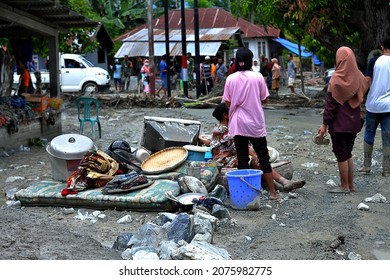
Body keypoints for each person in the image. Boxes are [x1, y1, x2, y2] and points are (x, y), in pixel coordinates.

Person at [222, 47, 278, 200]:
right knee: (263, 156)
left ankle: (245, 193)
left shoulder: (230, 79)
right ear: (250, 62)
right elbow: (264, 99)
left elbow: (227, 102)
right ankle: (273, 193)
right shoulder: (258, 77)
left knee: (242, 158)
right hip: (255, 123)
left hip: (238, 123)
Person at [210, 103, 306, 192]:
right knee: (258, 161)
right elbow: (242, 146)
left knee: (256, 160)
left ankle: (278, 184)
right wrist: (255, 155)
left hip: (228, 158)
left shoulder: (221, 128)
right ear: (225, 115)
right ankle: (281, 183)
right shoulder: (224, 130)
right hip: (225, 161)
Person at [317, 47, 370, 193]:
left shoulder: (336, 79)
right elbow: (365, 86)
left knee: (341, 155)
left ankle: (344, 186)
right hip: (354, 123)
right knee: (348, 154)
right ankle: (351, 186)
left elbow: (330, 107)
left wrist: (324, 125)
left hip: (339, 125)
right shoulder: (358, 77)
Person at [359, 37, 390, 177]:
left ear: (382, 47)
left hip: (373, 106)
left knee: (369, 132)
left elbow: (367, 81)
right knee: (387, 136)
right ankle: (387, 170)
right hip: (388, 107)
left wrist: (360, 97)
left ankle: (366, 166)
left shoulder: (374, 61)